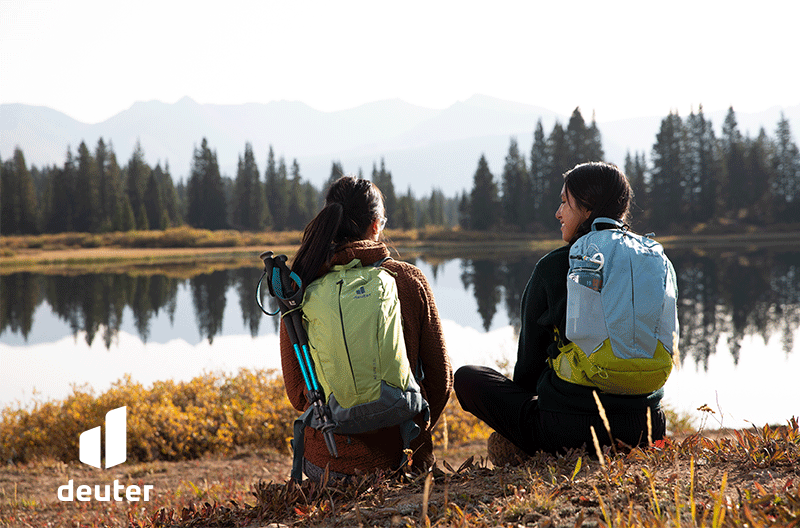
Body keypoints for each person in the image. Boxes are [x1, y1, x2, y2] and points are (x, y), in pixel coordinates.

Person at [454, 162, 669, 463]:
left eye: (564, 202)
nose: (558, 212)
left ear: (587, 209)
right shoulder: (652, 260)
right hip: (647, 427)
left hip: (569, 430)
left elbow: (529, 365)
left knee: (467, 378)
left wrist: (520, 420)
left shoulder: (555, 266)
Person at [281, 175, 452, 482]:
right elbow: (442, 379)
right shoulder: (407, 279)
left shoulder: (301, 287)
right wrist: (413, 432)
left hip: (327, 465)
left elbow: (297, 392)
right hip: (402, 458)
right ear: (376, 225)